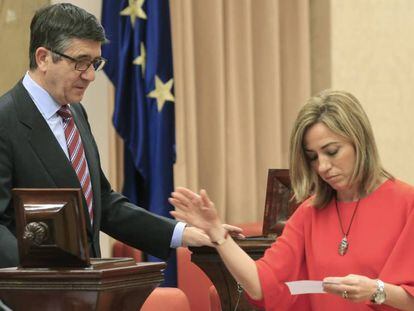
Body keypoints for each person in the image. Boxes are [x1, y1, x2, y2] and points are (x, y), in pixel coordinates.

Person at [0, 3, 239, 268]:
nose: (90, 75)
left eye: (95, 63)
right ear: (43, 57)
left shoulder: (76, 113)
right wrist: (38, 278)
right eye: (80, 63)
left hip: (85, 293)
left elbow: (103, 204)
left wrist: (183, 234)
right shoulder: (5, 121)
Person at [169, 90, 414, 310]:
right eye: (313, 157)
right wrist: (217, 234)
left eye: (331, 151)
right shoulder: (310, 212)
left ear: (360, 142)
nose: (323, 166)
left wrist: (376, 291)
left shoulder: (407, 203)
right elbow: (260, 285)